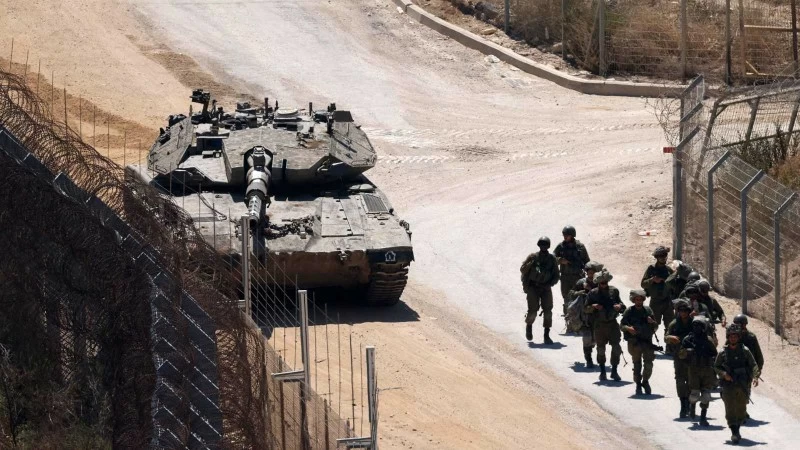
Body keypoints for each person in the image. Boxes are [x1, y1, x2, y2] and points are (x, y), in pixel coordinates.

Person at [715, 324, 760, 444]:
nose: (733, 338)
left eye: (735, 336)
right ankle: (734, 432)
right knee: (730, 409)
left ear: (738, 337)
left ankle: (737, 429)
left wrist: (756, 377)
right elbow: (716, 366)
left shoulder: (745, 351)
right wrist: (724, 374)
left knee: (741, 409)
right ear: (728, 337)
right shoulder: (723, 352)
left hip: (742, 384)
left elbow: (753, 364)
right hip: (728, 385)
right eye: (731, 336)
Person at [585, 270, 626, 381]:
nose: (604, 285)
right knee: (601, 349)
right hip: (599, 325)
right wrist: (593, 306)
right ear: (598, 283)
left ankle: (614, 371)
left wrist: (619, 306)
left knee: (616, 348)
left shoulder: (614, 291)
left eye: (605, 283)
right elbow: (585, 308)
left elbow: (623, 306)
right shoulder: (593, 293)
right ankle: (602, 371)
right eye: (602, 283)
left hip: (612, 324)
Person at [679, 316, 718, 426]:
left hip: (706, 370)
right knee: (694, 394)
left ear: (703, 327)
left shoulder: (708, 340)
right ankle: (692, 408)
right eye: (695, 325)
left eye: (699, 326)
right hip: (693, 370)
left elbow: (715, 354)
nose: (697, 328)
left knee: (706, 395)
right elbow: (680, 355)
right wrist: (687, 352)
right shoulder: (688, 339)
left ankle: (703, 417)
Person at [520, 236, 560, 344]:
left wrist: (550, 283)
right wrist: (530, 263)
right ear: (539, 245)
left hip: (546, 288)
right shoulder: (533, 257)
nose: (543, 247)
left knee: (548, 311)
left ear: (548, 246)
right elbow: (523, 270)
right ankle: (529, 326)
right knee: (533, 310)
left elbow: (556, 275)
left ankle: (546, 335)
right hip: (533, 287)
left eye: (545, 245)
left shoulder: (552, 259)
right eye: (541, 245)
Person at [620, 289, 657, 395]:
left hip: (647, 341)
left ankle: (645, 381)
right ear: (633, 300)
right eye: (637, 299)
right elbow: (621, 326)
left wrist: (652, 322)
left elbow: (656, 326)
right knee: (637, 365)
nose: (639, 301)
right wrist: (628, 328)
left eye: (641, 299)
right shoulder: (629, 311)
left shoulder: (648, 310)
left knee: (648, 364)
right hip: (634, 342)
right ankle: (638, 384)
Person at [568, 261, 604, 368]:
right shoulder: (581, 282)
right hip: (584, 315)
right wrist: (580, 292)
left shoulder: (601, 283)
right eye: (589, 272)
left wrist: (591, 290)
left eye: (593, 272)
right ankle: (589, 359)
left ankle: (599, 356)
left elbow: (606, 296)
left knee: (596, 338)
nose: (590, 274)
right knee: (587, 337)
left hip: (597, 315)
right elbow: (571, 294)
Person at [666, 299, 694, 418]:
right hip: (679, 356)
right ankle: (683, 404)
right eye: (681, 311)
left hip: (692, 357)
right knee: (680, 381)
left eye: (685, 311)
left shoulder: (694, 323)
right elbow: (666, 337)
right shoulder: (674, 324)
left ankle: (690, 403)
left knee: (691, 381)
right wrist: (671, 337)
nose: (683, 313)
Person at [554, 225, 590, 317]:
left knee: (579, 297)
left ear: (572, 235)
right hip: (565, 277)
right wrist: (560, 260)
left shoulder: (580, 247)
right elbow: (552, 258)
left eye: (567, 235)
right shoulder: (561, 246)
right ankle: (568, 318)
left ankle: (579, 318)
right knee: (566, 297)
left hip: (578, 277)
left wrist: (589, 274)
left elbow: (587, 261)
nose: (565, 237)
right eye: (564, 235)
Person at [641, 246, 675, 337]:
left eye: (665, 256)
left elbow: (675, 286)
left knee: (671, 327)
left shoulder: (669, 270)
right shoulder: (651, 269)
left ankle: (669, 344)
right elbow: (643, 284)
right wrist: (652, 280)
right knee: (651, 326)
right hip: (655, 302)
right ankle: (647, 343)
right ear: (657, 257)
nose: (663, 258)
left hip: (667, 301)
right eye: (661, 256)